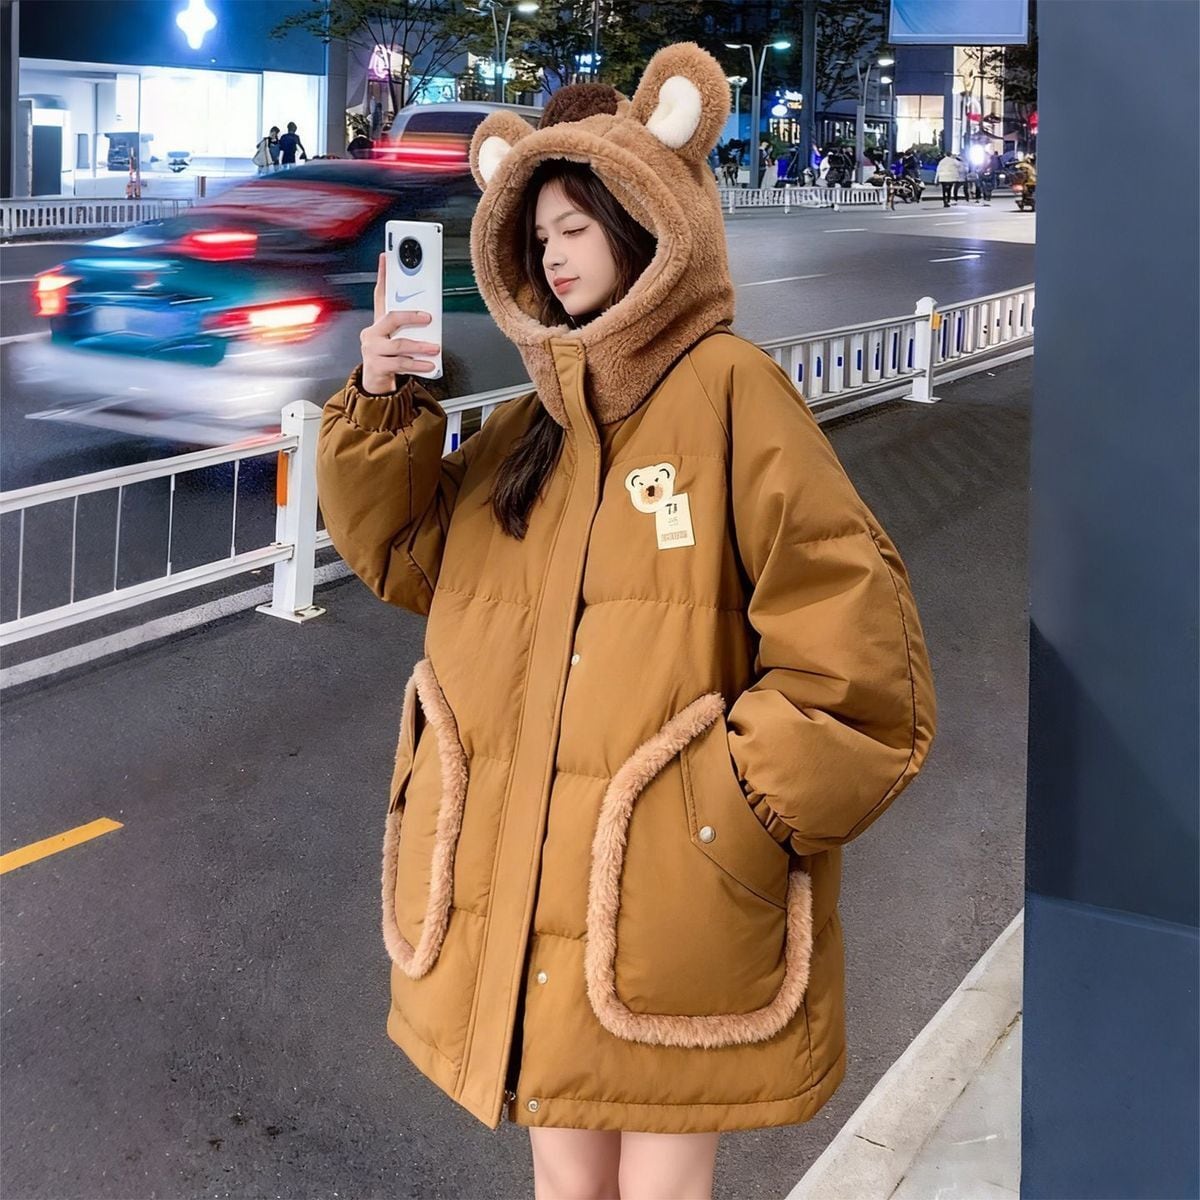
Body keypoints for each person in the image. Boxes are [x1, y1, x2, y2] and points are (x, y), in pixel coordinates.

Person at [316, 47, 936, 1200]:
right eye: (537, 234)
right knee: (565, 1183)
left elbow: (859, 669)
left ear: (646, 227)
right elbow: (409, 559)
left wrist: (720, 814)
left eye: (576, 228)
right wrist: (384, 408)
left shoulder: (731, 391)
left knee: (661, 1189)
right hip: (534, 898)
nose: (552, 254)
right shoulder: (533, 427)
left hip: (666, 909)